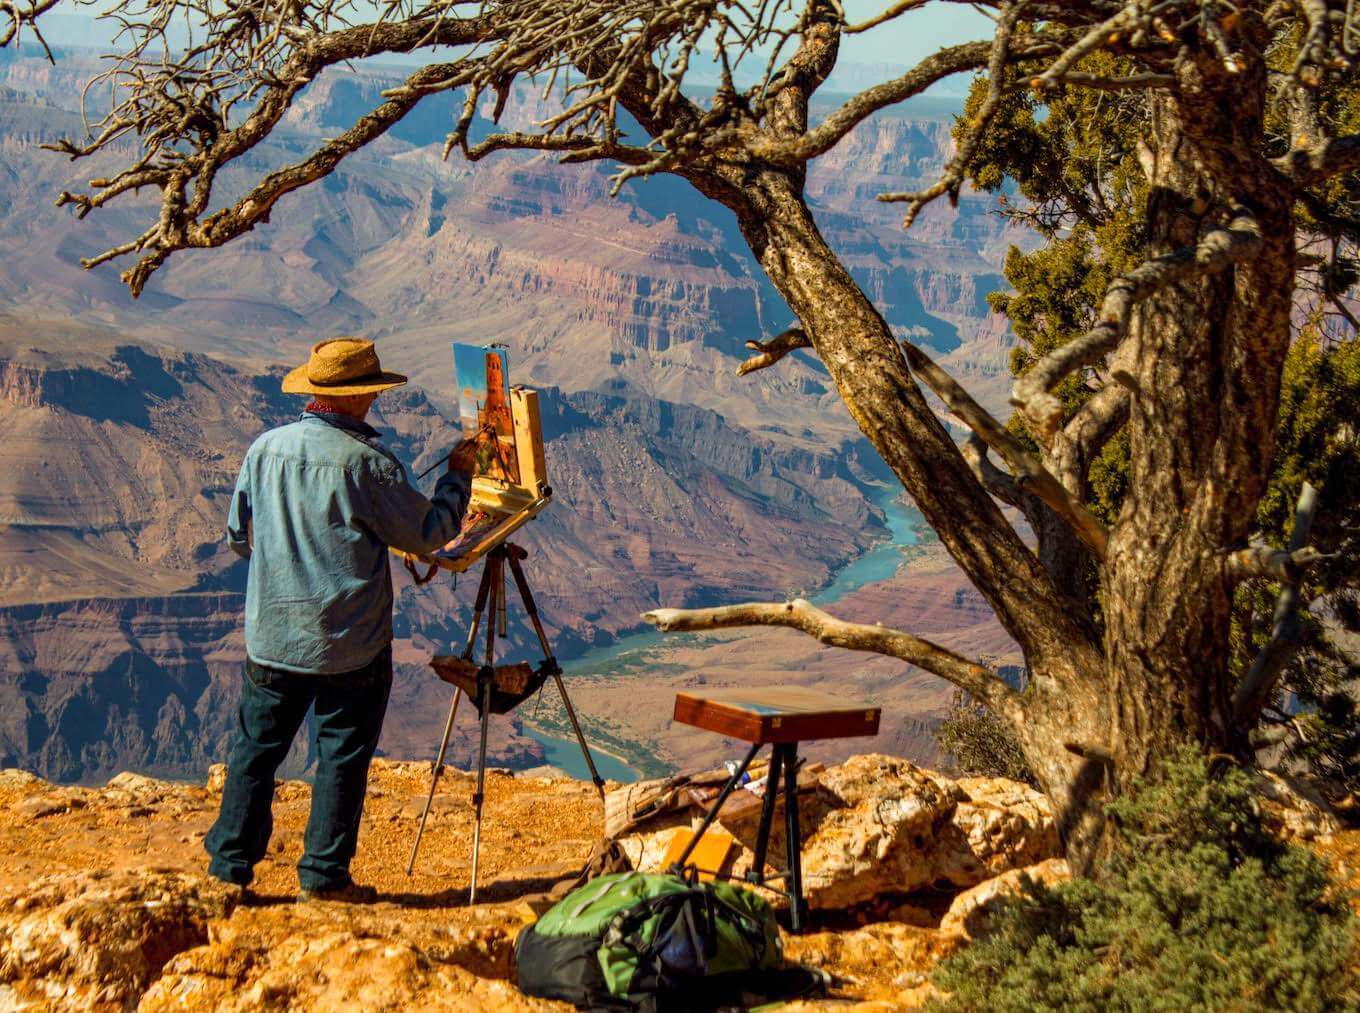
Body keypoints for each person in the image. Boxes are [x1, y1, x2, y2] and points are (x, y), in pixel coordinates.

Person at [205, 337, 480, 902]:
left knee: (255, 752)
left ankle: (229, 871)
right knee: (341, 755)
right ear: (360, 398)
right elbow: (431, 534)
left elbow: (239, 539)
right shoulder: (368, 465)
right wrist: (457, 476)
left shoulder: (264, 449)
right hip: (349, 645)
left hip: (273, 639)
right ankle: (323, 879)